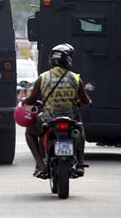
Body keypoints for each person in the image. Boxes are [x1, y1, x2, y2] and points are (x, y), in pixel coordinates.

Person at [22, 43, 92, 178]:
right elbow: (84, 101)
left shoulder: (43, 78)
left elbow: (31, 100)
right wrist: (87, 103)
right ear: (68, 60)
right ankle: (80, 163)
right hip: (70, 118)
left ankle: (39, 163)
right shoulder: (76, 79)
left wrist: (25, 101)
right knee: (80, 129)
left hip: (48, 118)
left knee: (29, 132)